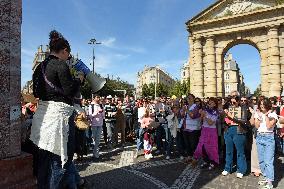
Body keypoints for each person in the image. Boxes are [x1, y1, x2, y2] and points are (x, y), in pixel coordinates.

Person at [30, 30, 84, 189]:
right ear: (64, 50)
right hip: (60, 119)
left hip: (43, 117)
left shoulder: (39, 67)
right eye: (68, 54)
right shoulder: (60, 65)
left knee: (44, 161)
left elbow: (36, 93)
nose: (69, 57)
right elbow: (70, 90)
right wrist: (79, 79)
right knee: (61, 161)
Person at [222, 95, 249, 179]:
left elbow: (244, 120)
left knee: (240, 151)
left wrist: (232, 117)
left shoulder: (243, 109)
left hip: (238, 130)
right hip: (228, 130)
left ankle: (241, 170)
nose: (232, 104)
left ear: (238, 102)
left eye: (234, 102)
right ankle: (227, 168)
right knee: (228, 150)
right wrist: (224, 116)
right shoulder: (228, 108)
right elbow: (223, 120)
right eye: (231, 102)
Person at [253, 98, 278, 189]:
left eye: (264, 104)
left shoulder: (273, 114)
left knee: (268, 161)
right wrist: (259, 116)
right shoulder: (258, 113)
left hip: (269, 138)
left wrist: (266, 116)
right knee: (262, 160)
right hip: (259, 137)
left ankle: (270, 182)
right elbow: (256, 126)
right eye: (260, 104)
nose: (262, 105)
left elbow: (268, 126)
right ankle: (265, 177)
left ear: (267, 105)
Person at [192, 97, 219, 170]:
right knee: (203, 146)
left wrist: (205, 115)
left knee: (212, 147)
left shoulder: (215, 112)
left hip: (211, 130)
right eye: (209, 102)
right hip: (204, 129)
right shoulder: (205, 110)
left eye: (212, 102)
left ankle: (213, 162)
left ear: (215, 104)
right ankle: (206, 161)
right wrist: (201, 114)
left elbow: (210, 123)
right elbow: (201, 120)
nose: (210, 103)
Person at [183, 94, 201, 163]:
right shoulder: (186, 106)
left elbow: (192, 116)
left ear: (193, 99)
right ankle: (189, 156)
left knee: (193, 144)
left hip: (194, 128)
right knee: (187, 144)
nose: (188, 99)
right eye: (187, 98)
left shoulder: (196, 107)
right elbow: (182, 116)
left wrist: (186, 110)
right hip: (186, 128)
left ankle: (195, 157)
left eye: (190, 98)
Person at [89, 94, 105, 159]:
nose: (98, 99)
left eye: (99, 97)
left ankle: (96, 153)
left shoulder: (101, 105)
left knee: (98, 139)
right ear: (94, 98)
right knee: (94, 139)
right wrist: (96, 113)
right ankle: (94, 153)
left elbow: (103, 115)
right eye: (97, 98)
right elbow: (90, 116)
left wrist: (102, 112)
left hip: (100, 123)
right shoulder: (91, 105)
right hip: (93, 124)